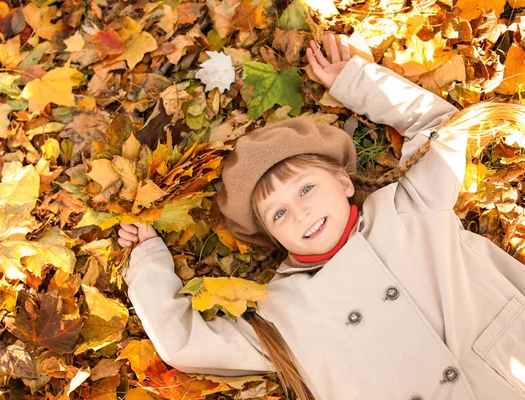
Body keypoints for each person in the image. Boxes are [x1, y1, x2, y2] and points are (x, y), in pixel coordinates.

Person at [117, 34, 525, 400]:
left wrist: (356, 81)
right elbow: (189, 345)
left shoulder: (407, 205)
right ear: (274, 238)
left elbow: (441, 127)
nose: (300, 212)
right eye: (278, 213)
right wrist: (148, 260)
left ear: (344, 183)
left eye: (306, 189)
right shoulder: (283, 309)